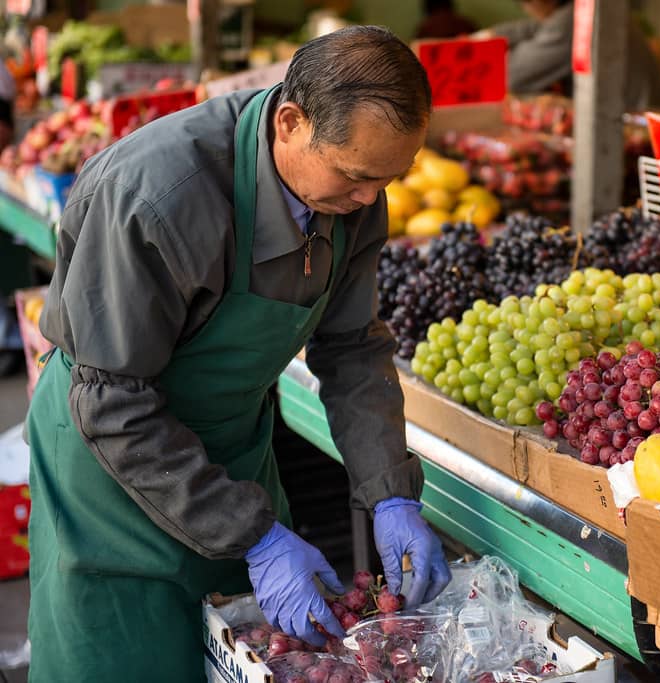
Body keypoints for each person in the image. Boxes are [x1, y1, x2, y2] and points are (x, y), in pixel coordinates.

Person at [26, 26, 451, 682]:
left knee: (244, 658)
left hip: (233, 455)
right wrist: (253, 535)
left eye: (388, 179)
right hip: (112, 467)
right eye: (357, 177)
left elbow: (350, 348)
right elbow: (110, 397)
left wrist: (390, 492)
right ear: (290, 122)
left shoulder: (352, 194)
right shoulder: (159, 198)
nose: (370, 200)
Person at [484, 0, 660, 110]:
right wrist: (489, 36)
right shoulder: (579, 9)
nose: (526, 11)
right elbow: (537, 28)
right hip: (633, 116)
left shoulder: (574, 19)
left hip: (633, 125)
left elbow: (512, 75)